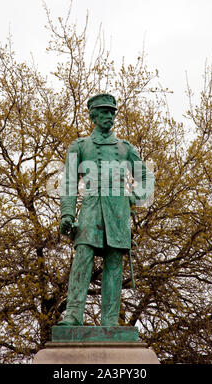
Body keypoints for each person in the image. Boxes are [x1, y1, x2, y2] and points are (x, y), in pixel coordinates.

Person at [58, 93, 154, 326]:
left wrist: (133, 197)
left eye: (112, 112)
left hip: (118, 212)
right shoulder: (79, 146)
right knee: (83, 257)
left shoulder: (125, 148)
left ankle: (110, 320)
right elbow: (69, 183)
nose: (109, 116)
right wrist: (68, 214)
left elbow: (146, 179)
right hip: (91, 207)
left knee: (114, 264)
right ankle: (73, 315)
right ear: (93, 115)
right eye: (104, 112)